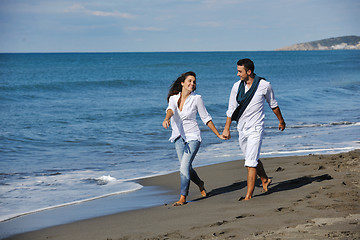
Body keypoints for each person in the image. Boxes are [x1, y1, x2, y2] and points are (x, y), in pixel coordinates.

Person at [222, 58, 285, 201]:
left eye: (240, 71)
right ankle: (264, 179)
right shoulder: (236, 86)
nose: (237, 74)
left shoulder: (264, 85)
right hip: (242, 129)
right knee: (251, 158)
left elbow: (273, 104)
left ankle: (248, 196)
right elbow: (231, 109)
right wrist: (227, 129)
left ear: (249, 71)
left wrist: (281, 121)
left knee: (250, 162)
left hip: (256, 128)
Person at [162, 71, 225, 206]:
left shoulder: (197, 98)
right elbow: (170, 109)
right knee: (187, 167)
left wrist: (218, 134)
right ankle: (200, 183)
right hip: (178, 136)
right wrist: (166, 119)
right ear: (182, 83)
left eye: (194, 82)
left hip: (193, 137)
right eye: (189, 81)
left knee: (184, 167)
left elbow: (206, 118)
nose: (192, 83)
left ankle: (183, 197)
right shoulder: (174, 98)